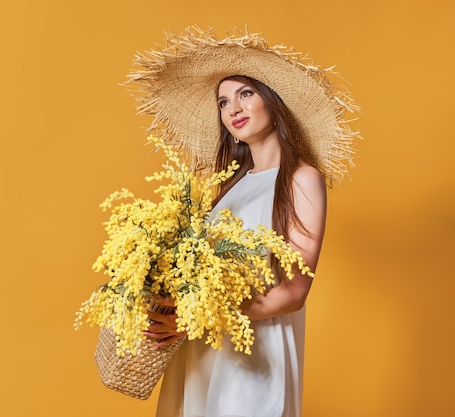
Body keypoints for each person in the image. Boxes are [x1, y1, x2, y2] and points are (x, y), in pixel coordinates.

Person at [127, 26, 360, 417]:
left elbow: (294, 291)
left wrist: (196, 316)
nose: (232, 109)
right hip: (201, 345)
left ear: (273, 101)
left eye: (245, 94)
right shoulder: (229, 188)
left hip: (255, 352)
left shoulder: (301, 178)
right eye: (223, 102)